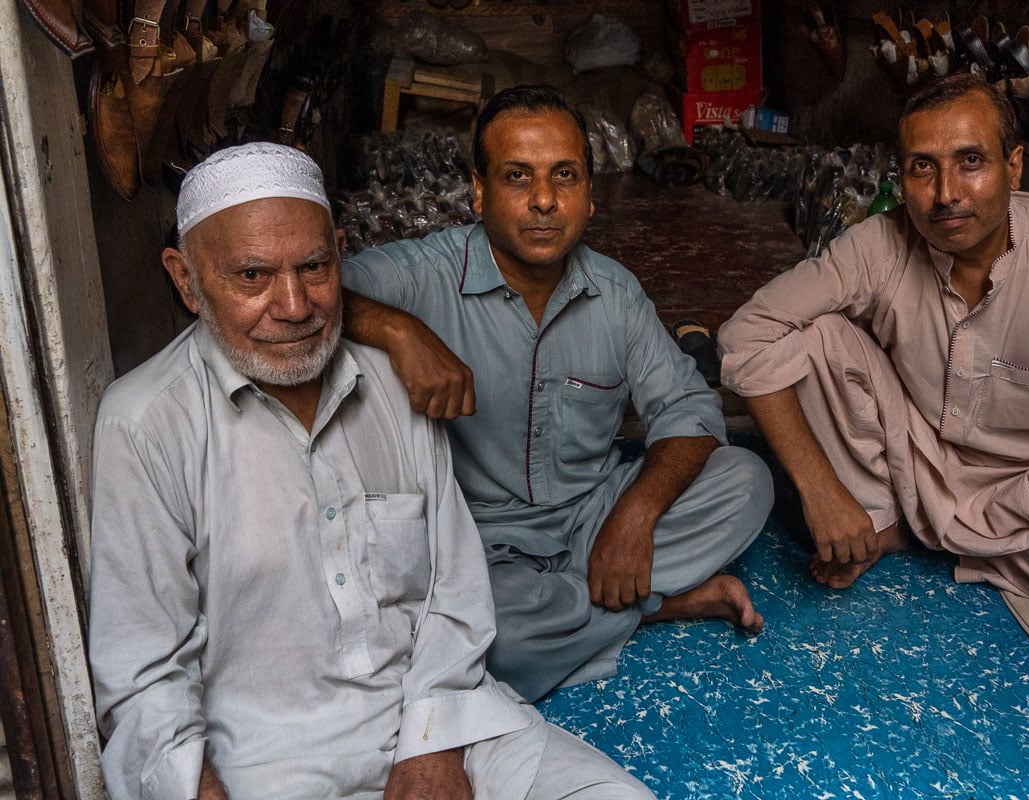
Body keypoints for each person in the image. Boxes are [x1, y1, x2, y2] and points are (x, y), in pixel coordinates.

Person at [87, 142, 657, 800]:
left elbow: (457, 591)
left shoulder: (388, 384)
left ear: (340, 252)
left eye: (315, 267)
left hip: (447, 721)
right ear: (186, 280)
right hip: (269, 762)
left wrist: (432, 743)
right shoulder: (145, 423)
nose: (295, 305)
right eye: (252, 277)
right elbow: (142, 673)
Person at [341, 85, 774, 702]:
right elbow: (312, 296)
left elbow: (690, 410)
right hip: (478, 540)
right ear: (480, 190)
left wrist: (635, 516)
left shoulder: (613, 292)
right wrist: (398, 328)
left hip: (592, 517)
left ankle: (591, 600)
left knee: (747, 479)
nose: (544, 201)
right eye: (517, 177)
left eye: (563, 176)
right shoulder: (422, 275)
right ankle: (655, 605)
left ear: (590, 195)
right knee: (496, 638)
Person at [719, 74, 1029, 629]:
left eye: (971, 161)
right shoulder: (880, 244)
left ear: (1013, 167)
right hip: (914, 457)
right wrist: (820, 489)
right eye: (924, 167)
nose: (946, 193)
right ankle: (901, 517)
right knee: (814, 335)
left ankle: (910, 532)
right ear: (902, 179)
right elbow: (742, 335)